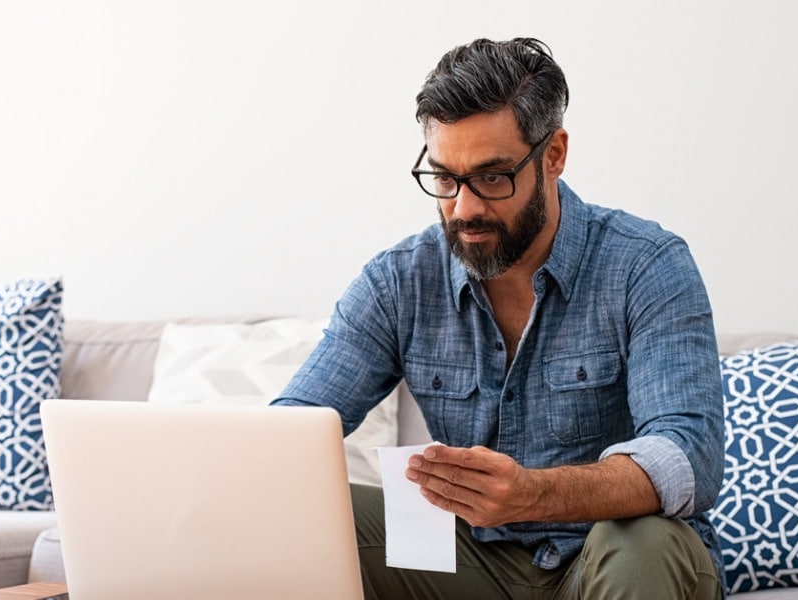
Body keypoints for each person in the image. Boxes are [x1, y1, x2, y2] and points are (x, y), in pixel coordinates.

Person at [272, 37, 726, 599]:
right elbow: (289, 434)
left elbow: (689, 456)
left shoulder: (646, 265)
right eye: (444, 179)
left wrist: (533, 494)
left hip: (610, 562)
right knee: (312, 516)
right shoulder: (399, 280)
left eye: (492, 178)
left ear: (553, 154)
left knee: (644, 543)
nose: (464, 209)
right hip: (470, 560)